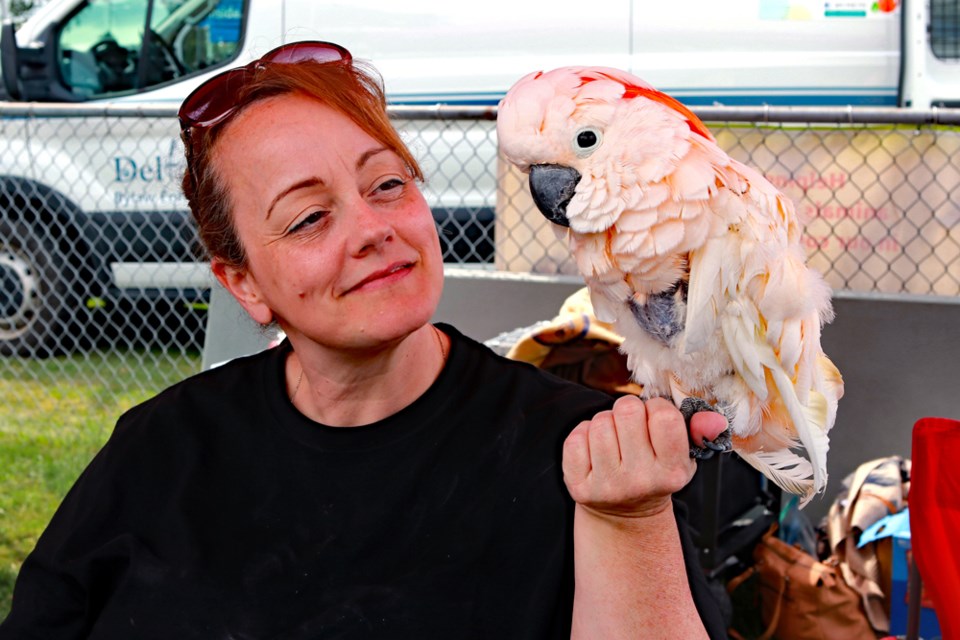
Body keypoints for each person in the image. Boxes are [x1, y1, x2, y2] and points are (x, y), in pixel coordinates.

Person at [0, 41, 729, 638]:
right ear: (243, 283)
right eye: (310, 218)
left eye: (387, 185)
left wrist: (629, 522)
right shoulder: (161, 451)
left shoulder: (578, 455)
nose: (374, 229)